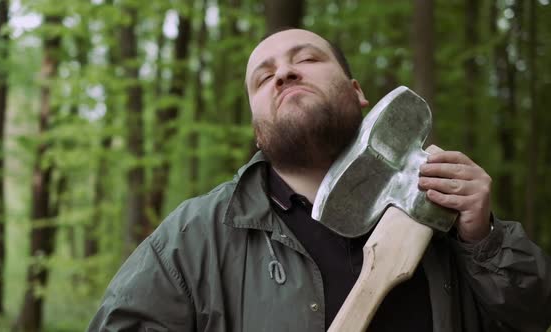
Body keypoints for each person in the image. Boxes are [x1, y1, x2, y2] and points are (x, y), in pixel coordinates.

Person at [88, 29, 551, 331]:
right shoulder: (198, 235)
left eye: (305, 59)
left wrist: (485, 241)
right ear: (257, 129)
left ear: (356, 91)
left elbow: (532, 317)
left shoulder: (441, 208)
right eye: (263, 78)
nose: (283, 73)